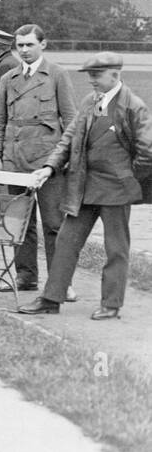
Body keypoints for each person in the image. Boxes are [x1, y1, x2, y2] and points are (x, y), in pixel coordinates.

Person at [25, 53, 152, 320]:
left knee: (115, 247)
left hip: (117, 191)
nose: (91, 80)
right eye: (90, 76)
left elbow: (147, 151)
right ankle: (51, 299)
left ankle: (111, 303)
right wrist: (49, 167)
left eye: (96, 75)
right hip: (83, 187)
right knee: (66, 241)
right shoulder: (89, 101)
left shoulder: (133, 106)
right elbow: (69, 137)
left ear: (115, 75)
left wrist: (128, 178)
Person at [0, 23, 77, 296]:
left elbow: (71, 120)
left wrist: (65, 159)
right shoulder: (8, 79)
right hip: (14, 162)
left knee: (54, 224)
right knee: (19, 222)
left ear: (43, 45)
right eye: (20, 45)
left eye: (29, 45)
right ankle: (25, 276)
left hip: (48, 164)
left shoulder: (57, 75)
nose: (24, 50)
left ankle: (61, 282)